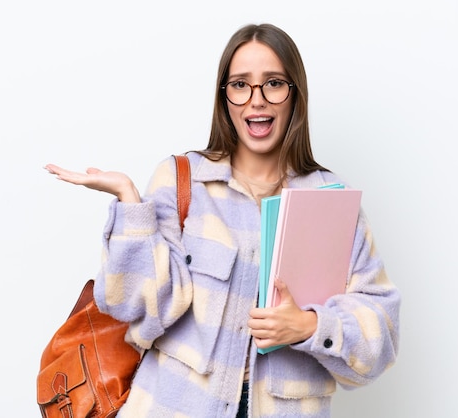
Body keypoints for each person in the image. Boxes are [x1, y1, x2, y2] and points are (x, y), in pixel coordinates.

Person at [45, 23, 400, 418]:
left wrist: (309, 326)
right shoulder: (183, 181)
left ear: (294, 95)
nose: (257, 100)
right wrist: (131, 204)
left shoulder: (330, 203)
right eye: (240, 85)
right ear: (224, 97)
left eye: (274, 83)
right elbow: (136, 308)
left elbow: (381, 339)